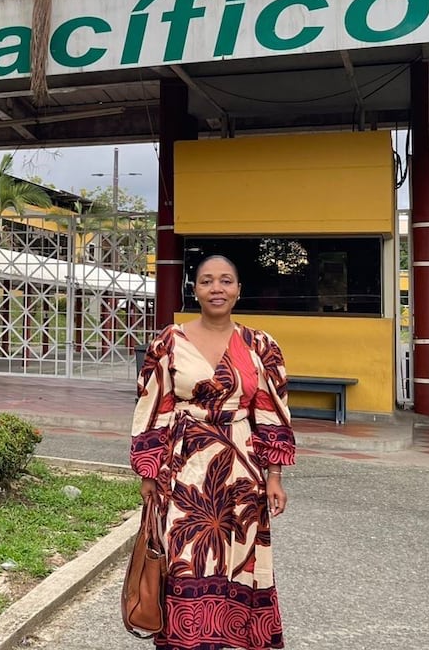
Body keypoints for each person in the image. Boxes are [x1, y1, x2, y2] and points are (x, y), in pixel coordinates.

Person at [130, 255, 296, 650]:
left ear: (239, 290)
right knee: (187, 557)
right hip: (184, 469)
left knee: (238, 561)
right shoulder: (168, 342)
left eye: (225, 281)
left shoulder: (259, 345)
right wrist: (148, 472)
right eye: (207, 281)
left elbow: (272, 411)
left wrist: (274, 476)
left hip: (242, 472)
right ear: (195, 289)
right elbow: (153, 407)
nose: (216, 288)